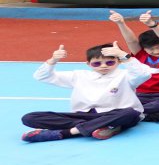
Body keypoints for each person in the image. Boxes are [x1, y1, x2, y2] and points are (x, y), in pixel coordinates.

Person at [21, 43, 151, 142]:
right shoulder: (79, 75)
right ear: (88, 64)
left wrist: (124, 56)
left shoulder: (126, 75)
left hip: (114, 114)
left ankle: (66, 133)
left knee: (131, 113)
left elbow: (144, 74)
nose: (103, 66)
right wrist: (53, 60)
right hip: (83, 116)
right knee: (29, 117)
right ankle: (105, 127)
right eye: (97, 63)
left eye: (110, 62)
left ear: (119, 62)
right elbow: (42, 76)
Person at [109, 9, 159, 123]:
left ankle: (133, 113)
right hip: (143, 95)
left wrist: (152, 24)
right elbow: (131, 41)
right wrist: (121, 23)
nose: (156, 51)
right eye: (151, 49)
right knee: (117, 100)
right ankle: (153, 115)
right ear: (144, 48)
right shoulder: (141, 55)